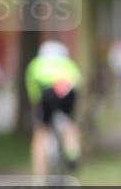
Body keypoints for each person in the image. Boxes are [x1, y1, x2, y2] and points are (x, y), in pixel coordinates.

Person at [25, 39, 83, 175]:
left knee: (41, 132)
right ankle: (73, 153)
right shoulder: (68, 64)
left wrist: (35, 102)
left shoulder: (36, 64)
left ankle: (39, 177)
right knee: (69, 124)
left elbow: (32, 88)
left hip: (46, 93)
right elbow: (78, 82)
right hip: (67, 91)